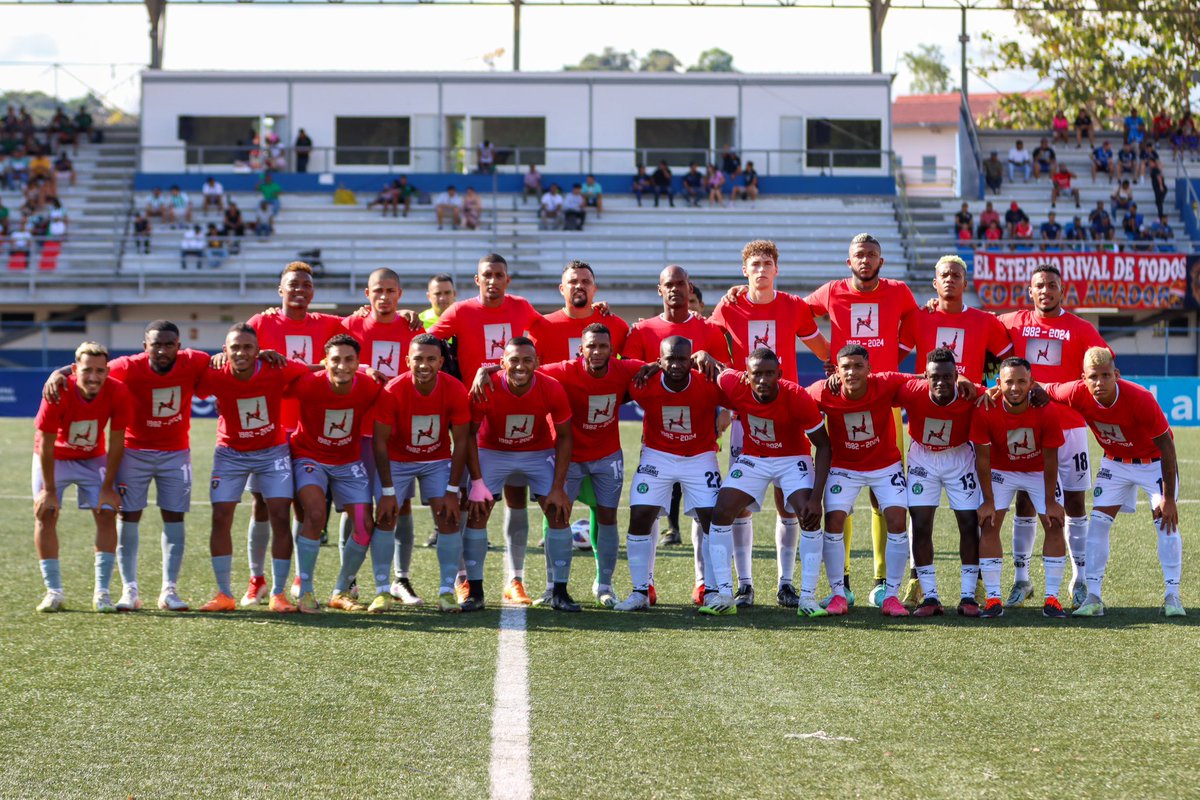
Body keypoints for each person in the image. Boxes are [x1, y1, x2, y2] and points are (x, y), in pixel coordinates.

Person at [42, 321, 212, 613]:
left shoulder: (195, 360)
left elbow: (226, 358)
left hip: (176, 453)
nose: (162, 350)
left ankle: (169, 590)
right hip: (134, 453)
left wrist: (262, 354)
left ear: (179, 346)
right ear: (145, 346)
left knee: (174, 517)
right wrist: (58, 372)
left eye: (168, 344)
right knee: (128, 516)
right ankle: (129, 589)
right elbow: (92, 368)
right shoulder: (127, 366)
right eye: (156, 344)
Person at [482, 323, 643, 608]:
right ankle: (551, 586)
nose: (597, 351)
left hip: (608, 456)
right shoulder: (562, 371)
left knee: (608, 516)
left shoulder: (625, 369)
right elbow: (522, 368)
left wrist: (699, 358)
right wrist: (487, 370)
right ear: (581, 349)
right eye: (591, 346)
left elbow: (661, 365)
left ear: (612, 351)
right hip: (567, 457)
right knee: (557, 514)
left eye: (603, 346)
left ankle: (604, 586)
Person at [711, 240, 832, 606]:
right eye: (755, 264)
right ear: (744, 271)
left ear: (776, 269)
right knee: (740, 506)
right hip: (746, 417)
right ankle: (745, 585)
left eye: (767, 263)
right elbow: (708, 342)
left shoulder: (793, 306)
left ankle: (786, 583)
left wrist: (834, 377)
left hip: (788, 415)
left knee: (788, 505)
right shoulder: (729, 305)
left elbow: (824, 351)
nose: (761, 269)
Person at [804, 233, 918, 607]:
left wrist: (895, 358)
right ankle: (844, 583)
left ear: (880, 261)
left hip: (883, 401)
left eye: (871, 254)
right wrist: (826, 354)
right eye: (859, 255)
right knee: (843, 493)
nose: (865, 260)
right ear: (848, 261)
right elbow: (798, 314)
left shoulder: (899, 291)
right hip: (844, 399)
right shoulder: (832, 291)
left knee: (882, 496)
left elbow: (915, 322)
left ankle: (883, 581)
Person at [1036, 348, 1183, 617]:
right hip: (1115, 463)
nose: (1099, 382)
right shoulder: (1075, 392)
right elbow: (1042, 388)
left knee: (1165, 521)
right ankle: (1093, 597)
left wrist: (1169, 498)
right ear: (1083, 378)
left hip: (1153, 462)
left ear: (1116, 374)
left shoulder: (1140, 398)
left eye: (1106, 375)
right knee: (1098, 524)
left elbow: (1167, 448)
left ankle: (1172, 595)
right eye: (1093, 377)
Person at [997, 265, 1110, 609]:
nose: (1045, 291)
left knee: (1074, 503)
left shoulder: (1082, 328)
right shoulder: (1012, 322)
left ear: (1063, 291)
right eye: (1039, 286)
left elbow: (1102, 368)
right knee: (1025, 501)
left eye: (1052, 285)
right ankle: (1022, 579)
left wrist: (1060, 391)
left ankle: (1079, 579)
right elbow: (976, 324)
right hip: (1026, 428)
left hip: (1070, 428)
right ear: (1029, 291)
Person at [429, 254, 547, 579]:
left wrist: (593, 311)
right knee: (467, 499)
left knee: (516, 498)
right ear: (477, 279)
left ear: (507, 280)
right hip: (471, 420)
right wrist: (407, 319)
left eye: (499, 275)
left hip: (514, 414)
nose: (493, 280)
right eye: (487, 275)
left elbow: (549, 332)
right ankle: (462, 578)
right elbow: (424, 344)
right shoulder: (460, 311)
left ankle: (515, 579)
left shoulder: (521, 306)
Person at [622, 265, 729, 590]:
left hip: (701, 444)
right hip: (657, 443)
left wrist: (725, 412)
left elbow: (727, 377)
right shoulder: (642, 330)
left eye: (680, 283)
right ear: (660, 289)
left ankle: (705, 584)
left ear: (689, 287)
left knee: (706, 514)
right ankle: (644, 587)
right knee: (645, 512)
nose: (674, 289)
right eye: (668, 284)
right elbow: (631, 375)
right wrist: (658, 364)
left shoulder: (710, 330)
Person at [195, 325, 310, 613]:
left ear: (258, 351)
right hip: (230, 454)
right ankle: (225, 594)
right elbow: (191, 382)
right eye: (235, 347)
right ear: (225, 350)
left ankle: (279, 593)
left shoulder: (275, 368)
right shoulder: (215, 373)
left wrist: (363, 369)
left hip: (272, 452)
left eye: (248, 347)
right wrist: (210, 360)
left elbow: (313, 370)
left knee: (280, 514)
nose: (241, 353)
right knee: (221, 516)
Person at [711, 349, 831, 616]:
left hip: (792, 459)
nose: (763, 380)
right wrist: (702, 356)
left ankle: (807, 598)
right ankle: (724, 594)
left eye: (769, 374)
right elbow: (720, 372)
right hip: (754, 458)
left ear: (780, 374)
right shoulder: (734, 384)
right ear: (746, 375)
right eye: (757, 374)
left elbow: (824, 445)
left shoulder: (797, 396)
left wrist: (816, 498)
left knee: (808, 516)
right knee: (721, 511)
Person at [616, 336, 727, 613]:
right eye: (670, 359)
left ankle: (713, 591)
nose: (676, 365)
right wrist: (651, 368)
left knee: (712, 518)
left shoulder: (708, 381)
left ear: (691, 361)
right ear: (659, 361)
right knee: (640, 514)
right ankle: (640, 591)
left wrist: (713, 360)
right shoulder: (644, 383)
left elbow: (738, 384)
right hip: (658, 456)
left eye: (682, 359)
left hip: (700, 457)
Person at [465, 338, 574, 611]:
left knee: (559, 512)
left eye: (527, 360)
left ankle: (560, 592)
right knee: (477, 512)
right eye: (513, 360)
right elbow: (468, 435)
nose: (520, 366)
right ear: (502, 363)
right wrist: (477, 482)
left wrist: (559, 487)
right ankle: (475, 592)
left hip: (537, 453)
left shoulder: (551, 387)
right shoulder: (486, 386)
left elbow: (564, 437)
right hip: (493, 452)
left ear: (537, 363)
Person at [807, 345, 913, 617]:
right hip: (845, 468)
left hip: (885, 466)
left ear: (869, 369)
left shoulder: (885, 382)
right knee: (834, 520)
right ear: (837, 371)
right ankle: (838, 593)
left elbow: (924, 381)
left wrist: (963, 380)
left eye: (857, 366)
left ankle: (891, 596)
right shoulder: (823, 391)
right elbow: (793, 399)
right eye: (846, 367)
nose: (851, 372)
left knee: (897, 520)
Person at [339, 268, 423, 603]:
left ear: (399, 294)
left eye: (390, 290)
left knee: (401, 506)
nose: (384, 296)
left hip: (398, 433)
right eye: (378, 290)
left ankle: (400, 579)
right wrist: (362, 369)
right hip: (357, 433)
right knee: (355, 507)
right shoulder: (350, 325)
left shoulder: (412, 328)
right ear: (367, 294)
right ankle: (349, 580)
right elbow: (330, 359)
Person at [373, 335, 472, 612]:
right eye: (418, 358)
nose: (424, 364)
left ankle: (446, 592)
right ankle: (382, 591)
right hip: (397, 461)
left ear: (441, 361)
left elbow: (461, 441)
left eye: (431, 359)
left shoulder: (454, 389)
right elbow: (379, 442)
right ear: (408, 361)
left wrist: (452, 490)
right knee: (385, 517)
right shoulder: (393, 390)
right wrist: (388, 491)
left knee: (448, 517)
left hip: (435, 461)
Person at [288, 334, 385, 614]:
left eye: (349, 360)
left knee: (364, 525)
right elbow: (270, 387)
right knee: (316, 513)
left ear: (358, 362)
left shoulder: (369, 386)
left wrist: (367, 370)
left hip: (347, 462)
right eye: (335, 360)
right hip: (309, 458)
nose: (342, 366)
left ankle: (340, 591)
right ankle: (305, 591)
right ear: (325, 362)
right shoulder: (309, 383)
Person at [31, 341, 129, 613]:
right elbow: (46, 443)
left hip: (92, 458)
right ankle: (54, 592)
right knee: (46, 513)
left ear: (107, 371)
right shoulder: (57, 391)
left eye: (100, 370)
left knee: (107, 511)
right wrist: (49, 490)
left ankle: (102, 593)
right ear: (75, 370)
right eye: (87, 370)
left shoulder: (118, 391)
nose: (93, 377)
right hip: (54, 458)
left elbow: (117, 441)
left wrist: (108, 487)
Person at [971, 357, 1067, 619]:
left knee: (1054, 523)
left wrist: (1051, 502)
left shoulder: (1046, 411)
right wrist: (988, 501)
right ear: (998, 383)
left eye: (1021, 381)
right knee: (989, 522)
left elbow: (1051, 459)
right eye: (1009, 382)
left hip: (1038, 470)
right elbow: (982, 459)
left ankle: (1052, 599)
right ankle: (993, 599)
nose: (1015, 388)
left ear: (1031, 382)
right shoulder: (985, 409)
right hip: (1001, 470)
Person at [898, 348, 986, 616]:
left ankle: (969, 595)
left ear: (957, 376)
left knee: (969, 524)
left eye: (947, 377)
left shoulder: (971, 394)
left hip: (959, 457)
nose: (941, 383)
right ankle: (930, 597)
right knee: (921, 524)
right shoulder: (912, 390)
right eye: (935, 377)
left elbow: (1001, 394)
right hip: (923, 458)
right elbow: (878, 385)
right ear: (925, 376)